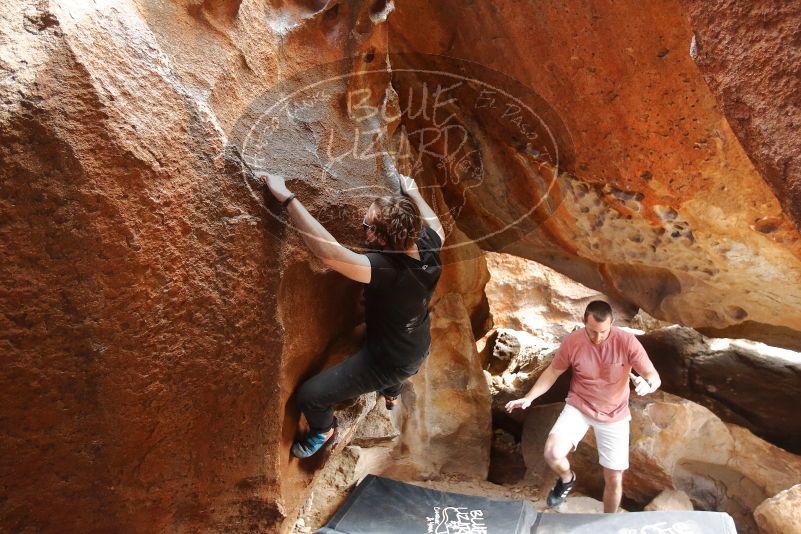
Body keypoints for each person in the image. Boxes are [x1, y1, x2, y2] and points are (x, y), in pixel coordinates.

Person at [259, 167, 445, 458]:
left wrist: (288, 199)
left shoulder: (386, 271)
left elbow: (329, 254)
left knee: (312, 396)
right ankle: (392, 394)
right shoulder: (430, 245)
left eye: (365, 224)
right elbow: (437, 224)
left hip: (388, 359)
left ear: (380, 238)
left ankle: (324, 430)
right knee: (399, 366)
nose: (363, 226)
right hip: (417, 342)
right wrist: (414, 193)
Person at [505, 300, 661, 512]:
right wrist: (529, 398)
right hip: (580, 406)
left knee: (614, 478)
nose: (598, 338)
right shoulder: (573, 342)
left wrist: (648, 384)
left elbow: (653, 376)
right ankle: (567, 479)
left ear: (612, 323)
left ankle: (608, 524)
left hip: (614, 414)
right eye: (592, 331)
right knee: (552, 453)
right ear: (583, 322)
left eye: (603, 332)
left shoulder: (627, 341)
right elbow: (553, 372)